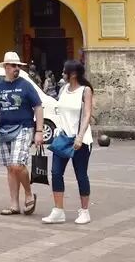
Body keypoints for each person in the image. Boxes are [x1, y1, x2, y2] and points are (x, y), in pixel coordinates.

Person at [0, 51, 44, 217]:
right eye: (14, 66)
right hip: (3, 129)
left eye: (18, 66)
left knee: (17, 164)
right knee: (10, 168)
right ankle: (14, 204)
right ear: (6, 67)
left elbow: (38, 107)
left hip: (23, 127)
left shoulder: (25, 85)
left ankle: (29, 194)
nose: (17, 68)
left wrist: (39, 131)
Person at [42, 60, 94, 226]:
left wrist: (80, 136)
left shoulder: (85, 91)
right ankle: (58, 210)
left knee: (81, 175)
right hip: (63, 138)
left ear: (73, 74)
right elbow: (60, 112)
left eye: (65, 71)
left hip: (80, 140)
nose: (62, 73)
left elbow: (87, 115)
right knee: (56, 172)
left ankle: (84, 210)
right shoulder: (63, 89)